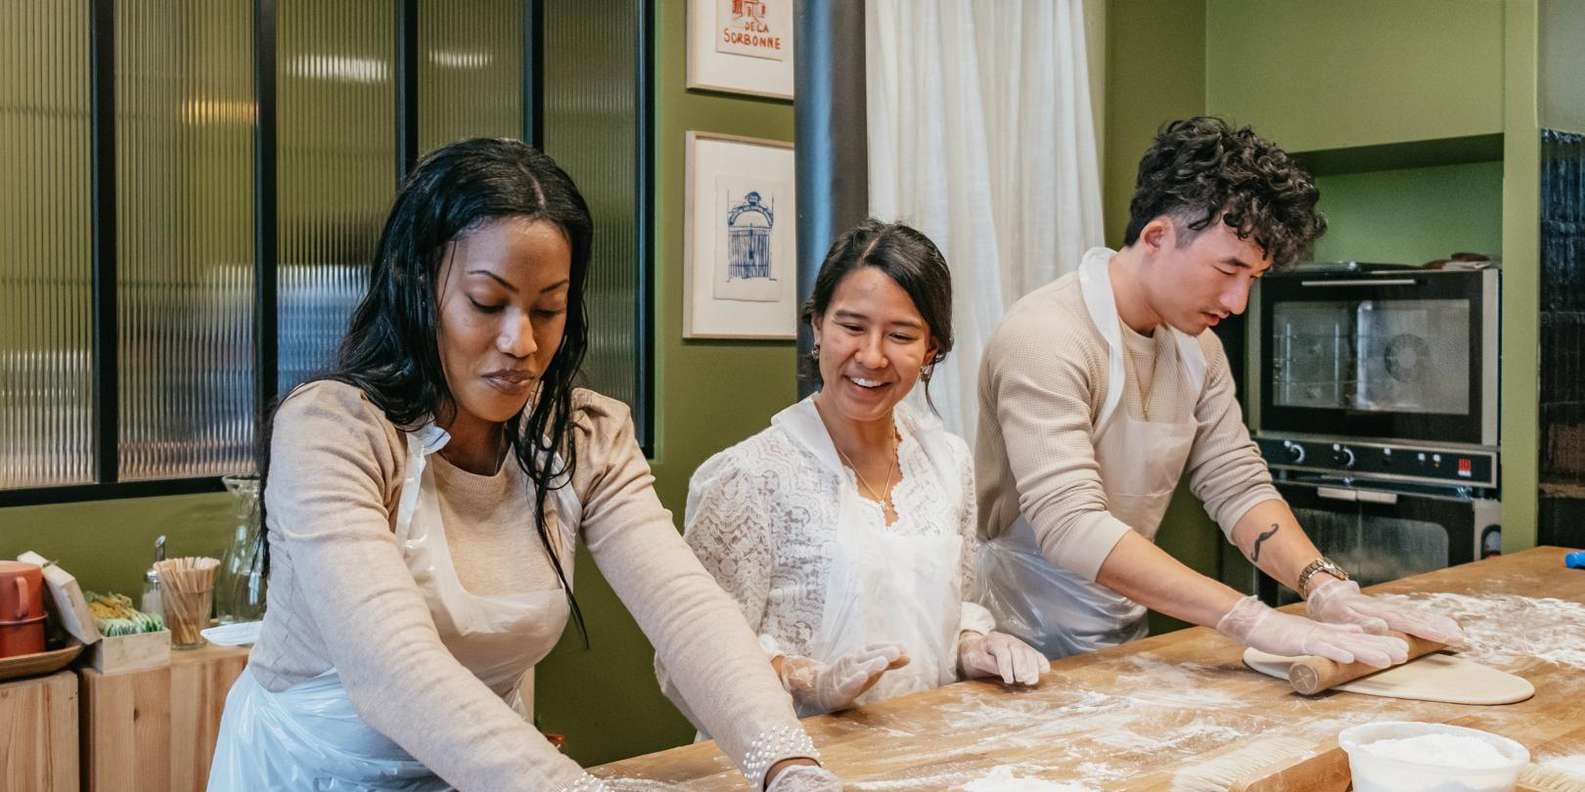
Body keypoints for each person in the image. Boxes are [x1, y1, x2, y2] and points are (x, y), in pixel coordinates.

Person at [207, 138, 839, 791]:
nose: (521, 343)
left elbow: (686, 609)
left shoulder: (581, 435)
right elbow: (391, 670)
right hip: (308, 775)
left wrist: (785, 762)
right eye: (487, 303)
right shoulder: (334, 431)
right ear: (420, 284)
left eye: (548, 309)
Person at [975, 117, 1465, 667]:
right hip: (1014, 645)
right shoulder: (1046, 336)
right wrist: (1250, 619)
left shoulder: (1196, 348)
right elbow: (1071, 526)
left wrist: (1324, 585)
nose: (1237, 304)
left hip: (1117, 638)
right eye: (1228, 269)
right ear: (1158, 237)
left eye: (1253, 279)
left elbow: (1236, 482)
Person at [659, 220, 1046, 726]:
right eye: (852, 326)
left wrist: (974, 644)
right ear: (817, 325)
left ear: (931, 350)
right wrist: (806, 679)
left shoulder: (947, 463)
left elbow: (952, 605)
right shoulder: (748, 477)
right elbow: (688, 656)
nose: (871, 356)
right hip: (789, 764)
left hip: (923, 752)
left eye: (901, 335)